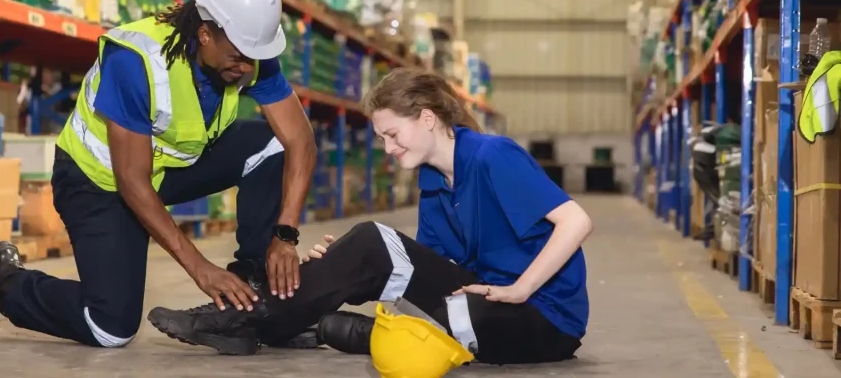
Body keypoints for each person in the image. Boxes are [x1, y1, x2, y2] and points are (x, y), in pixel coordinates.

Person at [0, 0, 317, 355]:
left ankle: (251, 298)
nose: (246, 67)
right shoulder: (137, 60)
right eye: (238, 57)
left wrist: (285, 235)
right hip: (97, 181)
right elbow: (131, 180)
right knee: (110, 328)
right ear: (205, 34)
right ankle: (3, 282)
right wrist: (201, 268)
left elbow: (300, 141)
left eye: (253, 57)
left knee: (271, 145)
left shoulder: (247, 52)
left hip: (166, 169)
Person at [147, 67, 592, 366]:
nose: (388, 148)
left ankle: (322, 327)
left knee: (446, 301)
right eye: (381, 138)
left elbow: (576, 222)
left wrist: (519, 290)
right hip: (479, 300)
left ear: (427, 118)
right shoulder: (434, 182)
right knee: (369, 247)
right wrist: (343, 261)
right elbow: (422, 271)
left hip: (541, 317)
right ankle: (249, 320)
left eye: (393, 134)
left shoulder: (493, 156)